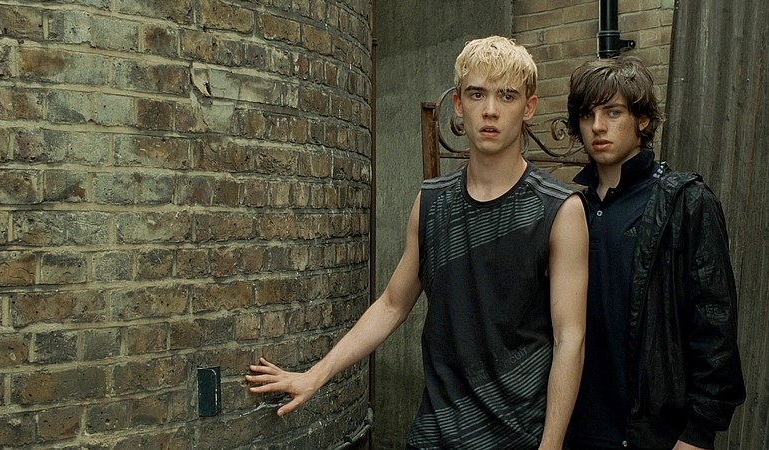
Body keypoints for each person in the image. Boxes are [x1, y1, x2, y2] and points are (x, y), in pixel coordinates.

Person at [245, 36, 588, 450]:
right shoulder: (431, 201)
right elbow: (392, 304)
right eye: (477, 94)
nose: (491, 110)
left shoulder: (559, 210)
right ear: (458, 104)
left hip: (517, 437)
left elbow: (570, 340)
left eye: (507, 96)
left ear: (529, 107)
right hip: (435, 433)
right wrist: (315, 375)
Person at [565, 56, 746, 450]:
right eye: (587, 115)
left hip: (656, 435)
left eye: (613, 112)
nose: (598, 126)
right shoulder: (571, 209)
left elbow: (713, 321)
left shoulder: (685, 202)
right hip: (576, 430)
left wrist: (697, 434)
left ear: (643, 120)